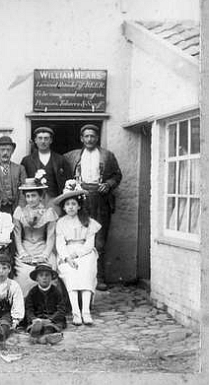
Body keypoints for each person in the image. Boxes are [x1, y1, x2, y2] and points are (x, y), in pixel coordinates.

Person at [64, 124, 122, 291]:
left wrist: (109, 184)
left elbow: (117, 175)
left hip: (100, 198)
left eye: (93, 136)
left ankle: (99, 277)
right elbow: (62, 170)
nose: (89, 139)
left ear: (97, 138)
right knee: (79, 237)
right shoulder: (72, 156)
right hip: (80, 198)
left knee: (99, 239)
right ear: (81, 139)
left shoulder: (107, 155)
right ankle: (79, 276)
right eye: (86, 136)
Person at [54, 181, 101, 326]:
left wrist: (77, 254)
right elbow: (60, 243)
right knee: (71, 273)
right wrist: (67, 258)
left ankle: (86, 311)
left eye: (73, 204)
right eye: (67, 204)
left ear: (79, 206)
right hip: (67, 253)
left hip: (84, 253)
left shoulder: (88, 222)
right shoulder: (61, 223)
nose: (71, 207)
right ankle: (76, 312)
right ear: (64, 207)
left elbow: (89, 244)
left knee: (86, 271)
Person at [12, 178, 59, 296]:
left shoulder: (48, 213)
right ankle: (26, 305)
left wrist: (44, 255)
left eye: (34, 196)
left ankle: (47, 305)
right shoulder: (20, 212)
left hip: (43, 247)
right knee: (24, 273)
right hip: (25, 248)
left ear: (40, 196)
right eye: (28, 196)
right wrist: (22, 253)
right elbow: (17, 236)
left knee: (49, 268)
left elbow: (50, 237)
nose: (30, 199)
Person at [20, 127, 72, 199]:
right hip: (35, 201)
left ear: (51, 140)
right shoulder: (27, 160)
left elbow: (69, 181)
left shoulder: (60, 159)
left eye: (46, 138)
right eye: (40, 138)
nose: (43, 141)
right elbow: (23, 183)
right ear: (35, 140)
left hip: (55, 200)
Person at [24, 264, 66, 345]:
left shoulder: (56, 292)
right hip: (37, 319)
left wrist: (51, 319)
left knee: (50, 327)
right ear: (36, 278)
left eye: (47, 275)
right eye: (41, 275)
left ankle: (43, 337)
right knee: (34, 325)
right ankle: (36, 332)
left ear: (51, 278)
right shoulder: (33, 292)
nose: (44, 278)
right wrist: (33, 319)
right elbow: (29, 309)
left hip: (52, 319)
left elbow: (62, 309)